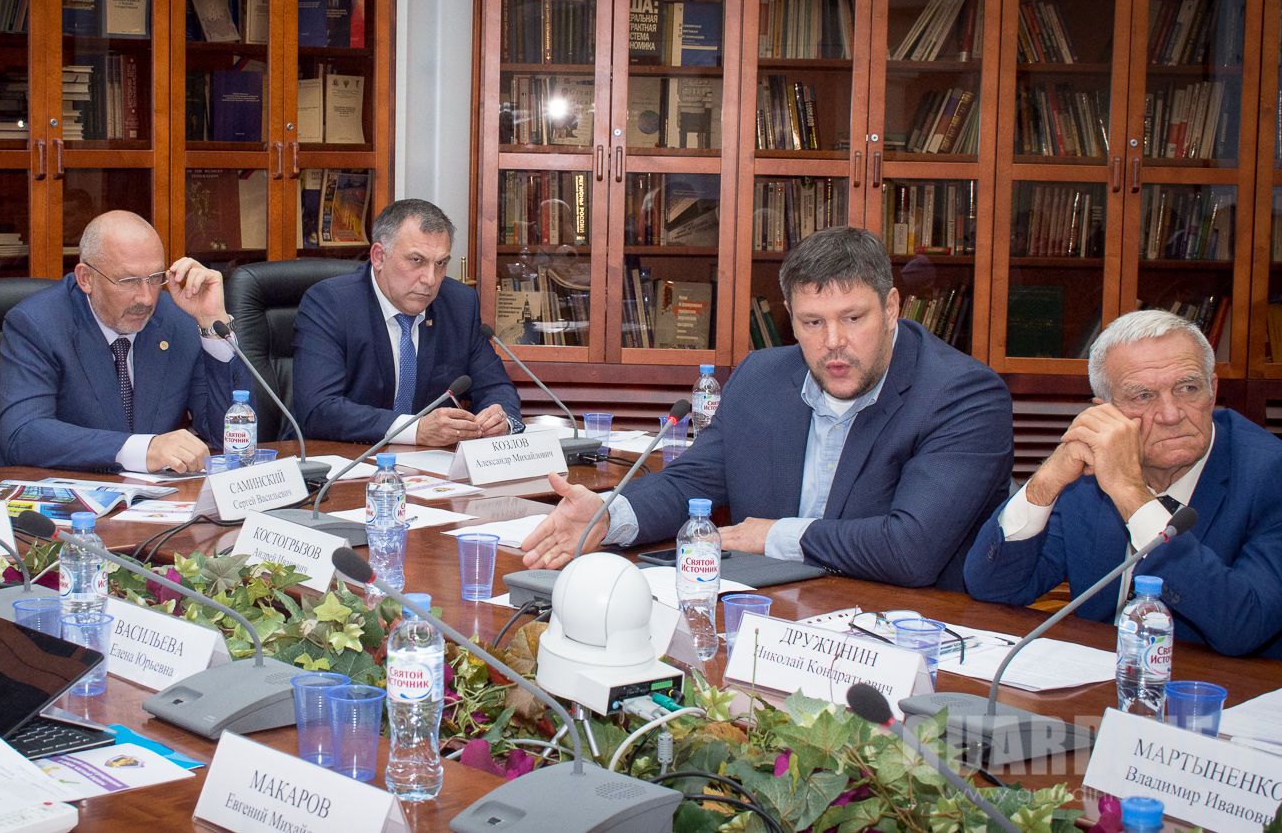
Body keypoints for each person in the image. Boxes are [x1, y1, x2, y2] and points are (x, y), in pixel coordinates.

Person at [520, 225, 1013, 591]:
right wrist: (610, 515)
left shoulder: (963, 397)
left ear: (890, 308)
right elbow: (691, 483)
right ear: (790, 318)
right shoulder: (761, 376)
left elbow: (911, 549)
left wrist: (775, 536)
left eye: (852, 318)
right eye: (812, 323)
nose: (833, 342)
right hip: (769, 611)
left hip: (906, 629)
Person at [965, 309, 1282, 659]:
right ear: (1106, 412)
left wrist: (1132, 495)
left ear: (1213, 389)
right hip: (1096, 678)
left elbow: (1245, 626)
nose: (1171, 414)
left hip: (1216, 687)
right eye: (1143, 396)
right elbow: (994, 588)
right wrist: (1046, 482)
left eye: (1188, 388)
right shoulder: (1087, 480)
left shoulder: (1270, 474)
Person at [0, 210, 248, 473]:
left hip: (160, 495)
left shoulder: (179, 319)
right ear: (86, 278)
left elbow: (229, 438)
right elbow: (22, 433)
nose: (146, 298)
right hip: (72, 490)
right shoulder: (38, 324)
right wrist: (142, 449)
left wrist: (213, 323)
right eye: (129, 281)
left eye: (155, 278)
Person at [292, 199, 522, 446]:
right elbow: (318, 409)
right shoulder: (330, 303)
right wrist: (415, 429)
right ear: (379, 257)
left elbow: (496, 388)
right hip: (339, 457)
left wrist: (499, 420)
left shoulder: (459, 304)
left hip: (428, 464)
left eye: (440, 263)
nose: (430, 279)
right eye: (416, 261)